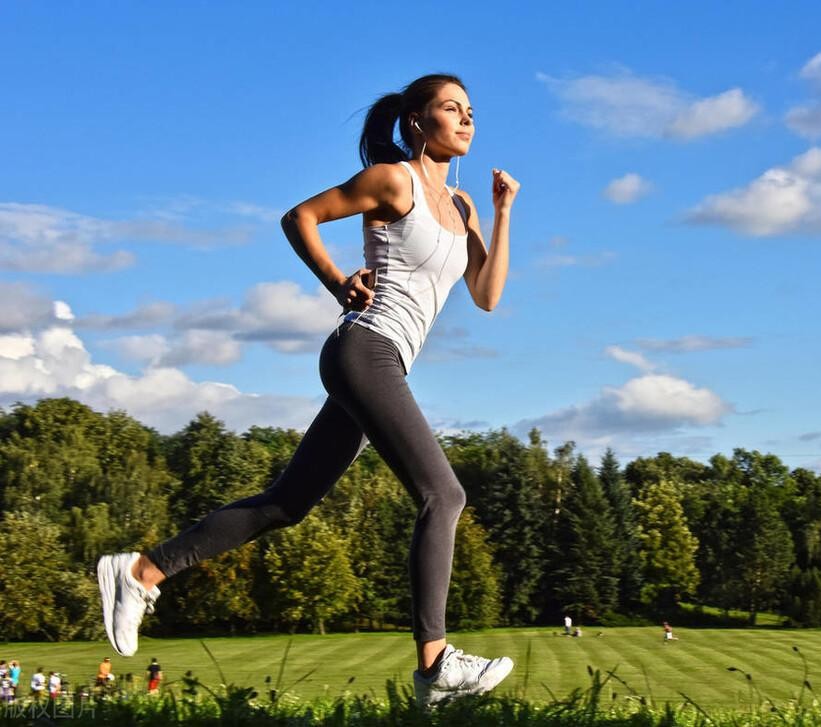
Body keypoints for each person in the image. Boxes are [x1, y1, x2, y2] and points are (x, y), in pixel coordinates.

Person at [95, 73, 518, 711]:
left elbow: (486, 295)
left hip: (384, 364)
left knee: (287, 503)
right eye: (451, 109)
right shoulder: (393, 179)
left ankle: (140, 571)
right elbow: (301, 217)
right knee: (444, 493)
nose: (466, 121)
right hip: (363, 349)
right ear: (415, 122)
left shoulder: (461, 208)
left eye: (471, 112)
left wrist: (503, 211)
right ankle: (435, 666)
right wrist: (334, 280)